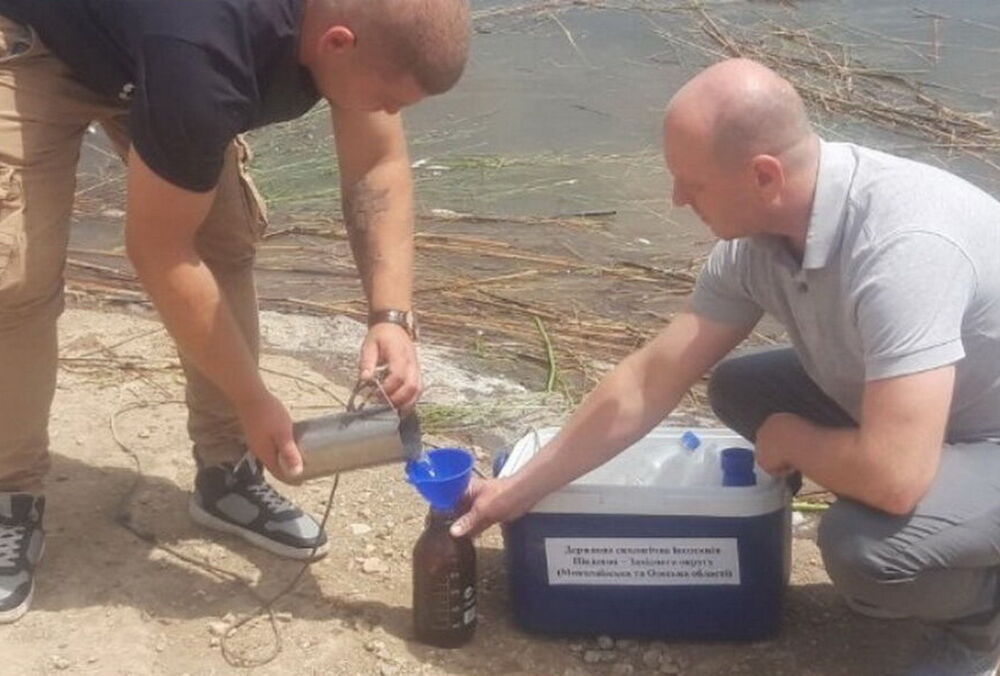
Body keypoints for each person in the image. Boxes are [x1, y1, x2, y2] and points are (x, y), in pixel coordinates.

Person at [453, 58, 1000, 676]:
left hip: (986, 436)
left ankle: (980, 622)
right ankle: (941, 533)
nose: (677, 198)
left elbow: (897, 475)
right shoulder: (758, 241)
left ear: (763, 176)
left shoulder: (903, 249)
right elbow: (650, 377)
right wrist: (520, 490)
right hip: (938, 412)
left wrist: (797, 440)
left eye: (694, 183)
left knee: (863, 549)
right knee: (744, 389)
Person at [0, 0, 470, 623]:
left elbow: (377, 165)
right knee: (16, 278)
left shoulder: (357, 32)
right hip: (40, 43)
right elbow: (159, 251)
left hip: (160, 47)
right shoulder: (205, 58)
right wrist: (256, 399)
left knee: (225, 244)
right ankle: (9, 495)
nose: (389, 115)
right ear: (335, 41)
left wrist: (392, 316)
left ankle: (226, 471)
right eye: (387, 100)